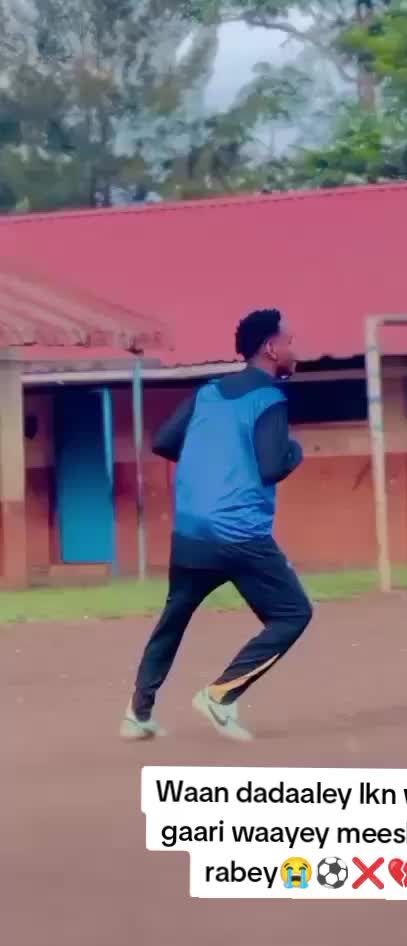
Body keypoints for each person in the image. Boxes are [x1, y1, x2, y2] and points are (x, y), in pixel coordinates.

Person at [120, 308, 312, 742]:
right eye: (289, 342)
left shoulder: (207, 393)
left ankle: (137, 713)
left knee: (175, 617)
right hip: (240, 535)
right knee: (292, 613)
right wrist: (296, 452)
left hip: (192, 531)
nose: (293, 350)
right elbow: (272, 466)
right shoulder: (270, 399)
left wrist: (208, 462)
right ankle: (220, 695)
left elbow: (164, 440)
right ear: (271, 348)